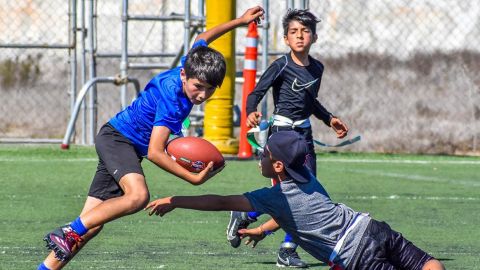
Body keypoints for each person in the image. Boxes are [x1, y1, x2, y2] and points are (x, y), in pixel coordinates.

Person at [37, 6, 265, 270]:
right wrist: (192, 178)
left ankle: (50, 261)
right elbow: (156, 152)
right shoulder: (174, 101)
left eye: (210, 89)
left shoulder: (191, 62)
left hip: (126, 144)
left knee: (91, 225)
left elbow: (204, 35)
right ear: (184, 76)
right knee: (137, 196)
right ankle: (67, 230)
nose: (202, 95)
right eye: (198, 87)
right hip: (118, 140)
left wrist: (240, 21)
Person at [146, 131, 446, 270]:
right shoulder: (309, 178)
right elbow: (297, 216)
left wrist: (175, 199)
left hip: (355, 255)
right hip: (372, 228)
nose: (259, 157)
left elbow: (220, 202)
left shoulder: (275, 196)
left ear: (277, 166)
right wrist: (262, 230)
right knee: (429, 265)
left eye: (264, 154)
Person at [227, 9, 349, 268]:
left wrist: (329, 119)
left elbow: (310, 101)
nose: (300, 36)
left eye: (305, 31)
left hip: (304, 135)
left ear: (314, 37)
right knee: (285, 193)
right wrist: (250, 112)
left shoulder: (317, 68)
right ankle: (247, 213)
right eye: (294, 31)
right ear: (285, 38)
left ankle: (286, 249)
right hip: (281, 135)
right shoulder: (280, 65)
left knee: (309, 193)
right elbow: (255, 92)